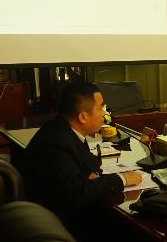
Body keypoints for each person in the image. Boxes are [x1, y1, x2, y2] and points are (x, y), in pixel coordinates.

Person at [22, 82, 142, 225]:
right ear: (83, 117)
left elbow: (91, 165)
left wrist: (87, 175)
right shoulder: (56, 142)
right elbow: (77, 192)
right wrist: (122, 179)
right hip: (56, 223)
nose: (104, 113)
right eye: (100, 107)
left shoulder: (66, 129)